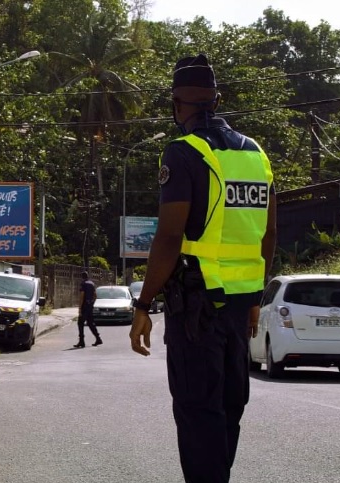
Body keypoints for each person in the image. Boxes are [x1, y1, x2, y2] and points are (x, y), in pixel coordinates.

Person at [129, 53, 277, 482]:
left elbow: (169, 237)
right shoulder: (256, 156)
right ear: (217, 99)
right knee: (229, 407)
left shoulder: (184, 152)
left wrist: (144, 304)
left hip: (197, 307)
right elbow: (268, 234)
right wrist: (254, 298)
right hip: (239, 307)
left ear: (177, 105)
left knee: (198, 410)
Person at [74, 271, 102, 348]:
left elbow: (82, 296)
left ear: (82, 277)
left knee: (80, 323)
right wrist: (92, 303)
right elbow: (95, 295)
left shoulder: (83, 284)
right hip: (90, 306)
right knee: (90, 323)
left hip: (84, 306)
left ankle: (81, 341)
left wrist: (80, 308)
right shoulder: (92, 283)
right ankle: (98, 338)